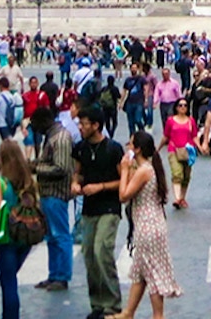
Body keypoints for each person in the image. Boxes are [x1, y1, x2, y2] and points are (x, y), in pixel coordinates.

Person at [109, 131, 182, 319]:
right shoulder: (148, 167)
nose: (128, 148)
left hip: (147, 226)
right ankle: (128, 312)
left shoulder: (144, 171)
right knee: (141, 271)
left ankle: (158, 315)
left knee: (152, 272)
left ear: (138, 149)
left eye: (131, 145)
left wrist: (124, 169)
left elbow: (124, 195)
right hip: (151, 223)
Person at [72, 105, 125, 319]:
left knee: (102, 250)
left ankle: (113, 304)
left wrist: (101, 186)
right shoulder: (80, 148)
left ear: (96, 125)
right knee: (89, 255)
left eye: (84, 123)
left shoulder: (113, 149)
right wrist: (76, 184)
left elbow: (123, 180)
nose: (80, 127)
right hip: (89, 207)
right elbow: (78, 173)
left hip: (110, 206)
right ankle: (97, 303)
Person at [0, 140, 37, 319]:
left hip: (7, 235)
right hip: (26, 233)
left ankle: (10, 316)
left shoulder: (0, 183)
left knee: (8, 280)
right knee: (10, 277)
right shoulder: (28, 180)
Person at [31, 106, 75, 292]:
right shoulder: (51, 136)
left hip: (57, 193)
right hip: (48, 192)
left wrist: (35, 169)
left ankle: (62, 275)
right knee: (51, 236)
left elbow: (61, 168)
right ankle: (54, 274)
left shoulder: (60, 138)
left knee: (60, 235)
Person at [160, 97, 197, 208]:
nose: (183, 107)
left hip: (188, 151)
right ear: (176, 107)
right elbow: (166, 136)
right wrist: (158, 148)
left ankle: (182, 197)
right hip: (174, 149)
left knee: (186, 176)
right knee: (177, 174)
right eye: (180, 105)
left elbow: (194, 136)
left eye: (185, 105)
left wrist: (201, 146)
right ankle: (177, 198)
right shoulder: (171, 121)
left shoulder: (191, 121)